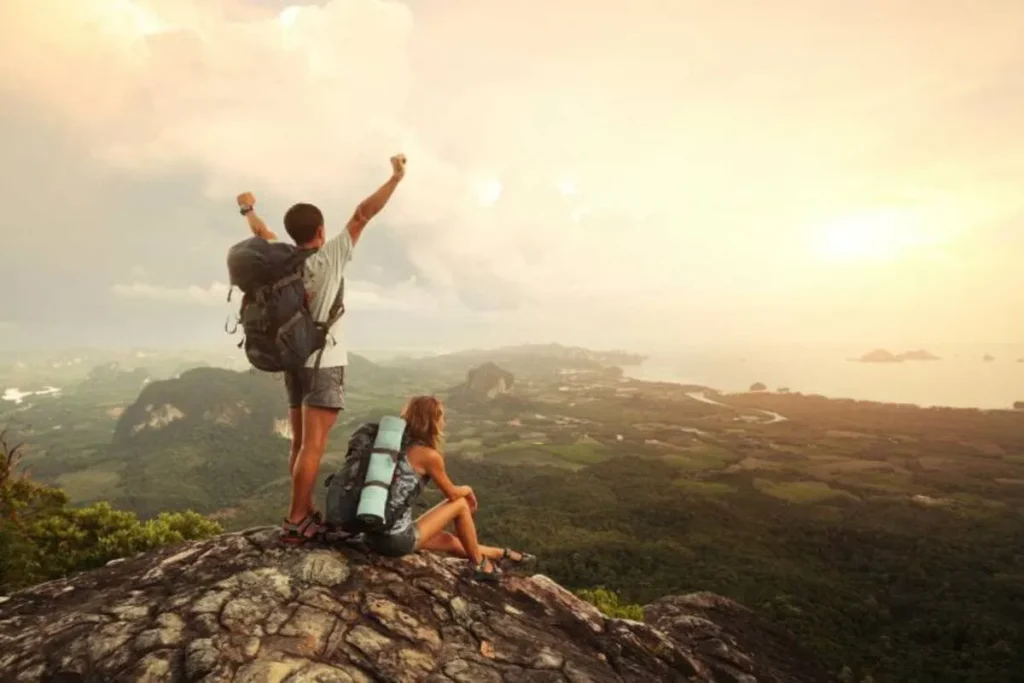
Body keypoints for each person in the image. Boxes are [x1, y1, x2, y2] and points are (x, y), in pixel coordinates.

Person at [236, 154, 407, 544]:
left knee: (299, 443)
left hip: (292, 360)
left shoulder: (283, 261)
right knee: (314, 445)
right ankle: (297, 519)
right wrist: (395, 179)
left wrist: (248, 209)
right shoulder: (329, 256)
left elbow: (262, 235)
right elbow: (363, 214)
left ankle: (303, 508)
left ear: (292, 233)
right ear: (320, 229)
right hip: (324, 361)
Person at [363, 395, 536, 581]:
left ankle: (502, 554)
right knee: (461, 504)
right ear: (433, 420)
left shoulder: (390, 447)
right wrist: (468, 490)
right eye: (441, 417)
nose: (443, 422)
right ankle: (480, 565)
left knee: (448, 541)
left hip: (371, 535)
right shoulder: (428, 455)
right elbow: (452, 494)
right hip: (395, 540)